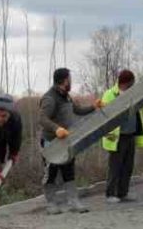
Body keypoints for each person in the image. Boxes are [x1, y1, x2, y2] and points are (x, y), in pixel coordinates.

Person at [39, 67, 100, 214]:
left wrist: (93, 107)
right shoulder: (50, 98)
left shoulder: (66, 96)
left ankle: (74, 202)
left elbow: (77, 110)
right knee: (51, 173)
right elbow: (42, 118)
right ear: (64, 80)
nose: (71, 81)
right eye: (69, 79)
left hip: (66, 141)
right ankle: (51, 204)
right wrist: (56, 129)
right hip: (51, 142)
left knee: (69, 172)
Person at [100, 69, 143, 203]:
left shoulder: (134, 94)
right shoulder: (110, 95)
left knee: (127, 166)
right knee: (115, 167)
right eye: (132, 83)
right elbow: (104, 115)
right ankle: (110, 194)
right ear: (126, 83)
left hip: (130, 135)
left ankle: (123, 193)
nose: (133, 85)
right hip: (117, 137)